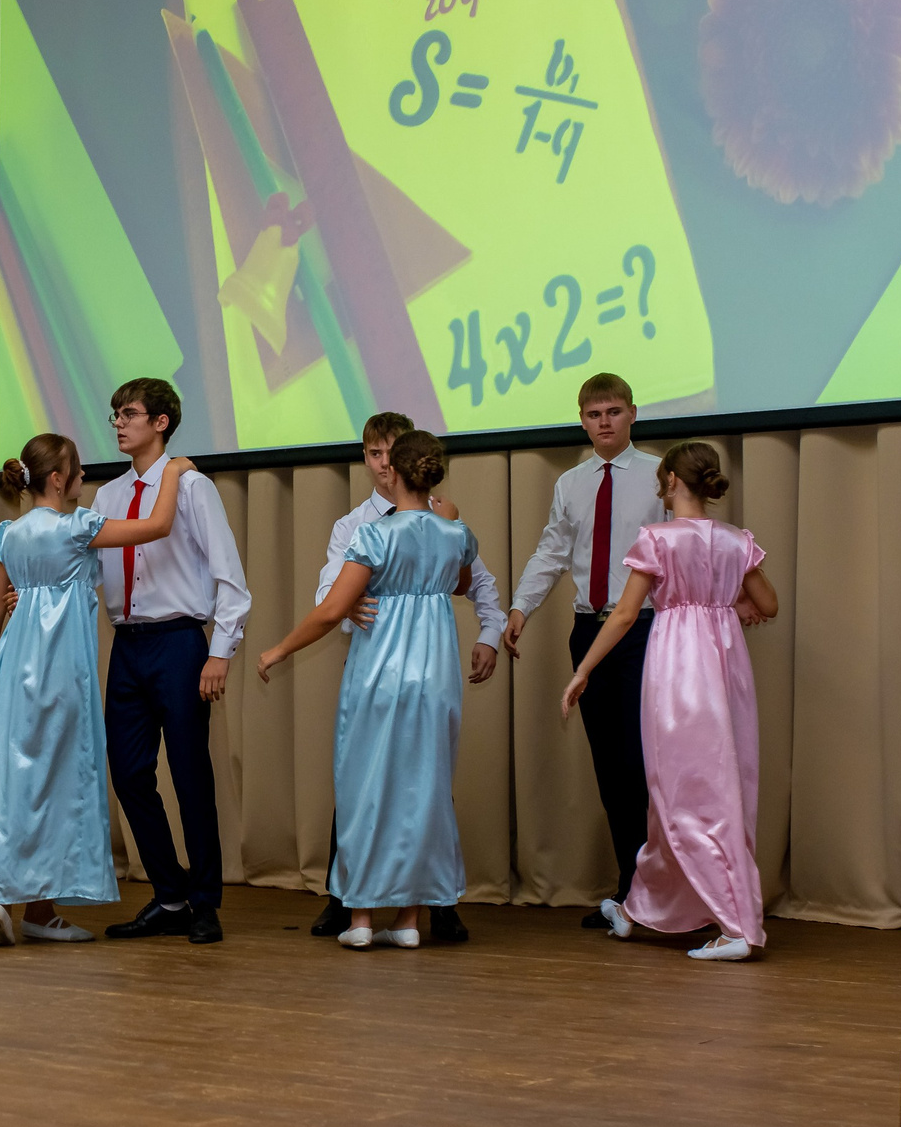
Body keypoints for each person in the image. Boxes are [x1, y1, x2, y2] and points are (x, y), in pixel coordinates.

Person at [0, 435, 191, 943]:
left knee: (12, 778)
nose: (83, 477)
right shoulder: (77, 528)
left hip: (14, 666)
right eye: (76, 469)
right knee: (56, 781)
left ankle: (5, 895)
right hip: (60, 673)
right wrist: (173, 473)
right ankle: (39, 909)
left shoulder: (8, 534)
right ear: (58, 479)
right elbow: (158, 526)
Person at [257, 431, 482, 949]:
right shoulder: (456, 533)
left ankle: (360, 918)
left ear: (396, 474)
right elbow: (463, 584)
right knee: (423, 793)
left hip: (381, 674)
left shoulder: (375, 536)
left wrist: (278, 650)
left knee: (365, 790)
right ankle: (408, 920)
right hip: (434, 678)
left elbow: (333, 610)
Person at [561, 442, 777, 961]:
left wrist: (583, 670)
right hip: (726, 669)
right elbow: (768, 604)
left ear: (672, 482)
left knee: (681, 790)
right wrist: (728, 600)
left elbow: (622, 616)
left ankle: (736, 927)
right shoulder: (734, 541)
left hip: (680, 667)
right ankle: (642, 908)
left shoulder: (657, 539)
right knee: (718, 788)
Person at [306, 412, 506, 943]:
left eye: (392, 453)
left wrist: (489, 633)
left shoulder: (443, 523)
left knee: (412, 785)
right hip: (396, 663)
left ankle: (409, 907)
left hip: (395, 670)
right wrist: (346, 605)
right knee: (376, 784)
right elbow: (329, 593)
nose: (383, 463)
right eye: (374, 453)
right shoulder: (356, 525)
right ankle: (359, 903)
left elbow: (476, 583)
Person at [92, 379, 249, 945]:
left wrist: (219, 652)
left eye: (129, 414)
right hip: (128, 646)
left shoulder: (192, 486)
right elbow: (94, 575)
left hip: (180, 642)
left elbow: (229, 576)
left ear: (160, 422)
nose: (118, 423)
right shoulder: (107, 497)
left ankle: (206, 902)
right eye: (114, 414)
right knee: (129, 773)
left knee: (189, 775)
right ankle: (170, 894)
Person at [506, 372, 665, 925]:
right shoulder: (570, 483)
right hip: (587, 630)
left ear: (632, 414)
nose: (604, 422)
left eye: (614, 412)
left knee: (642, 764)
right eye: (594, 414)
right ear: (582, 420)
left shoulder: (658, 477)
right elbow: (552, 552)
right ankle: (630, 889)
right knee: (611, 771)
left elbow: (682, 549)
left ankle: (661, 893)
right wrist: (521, 607)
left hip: (644, 630)